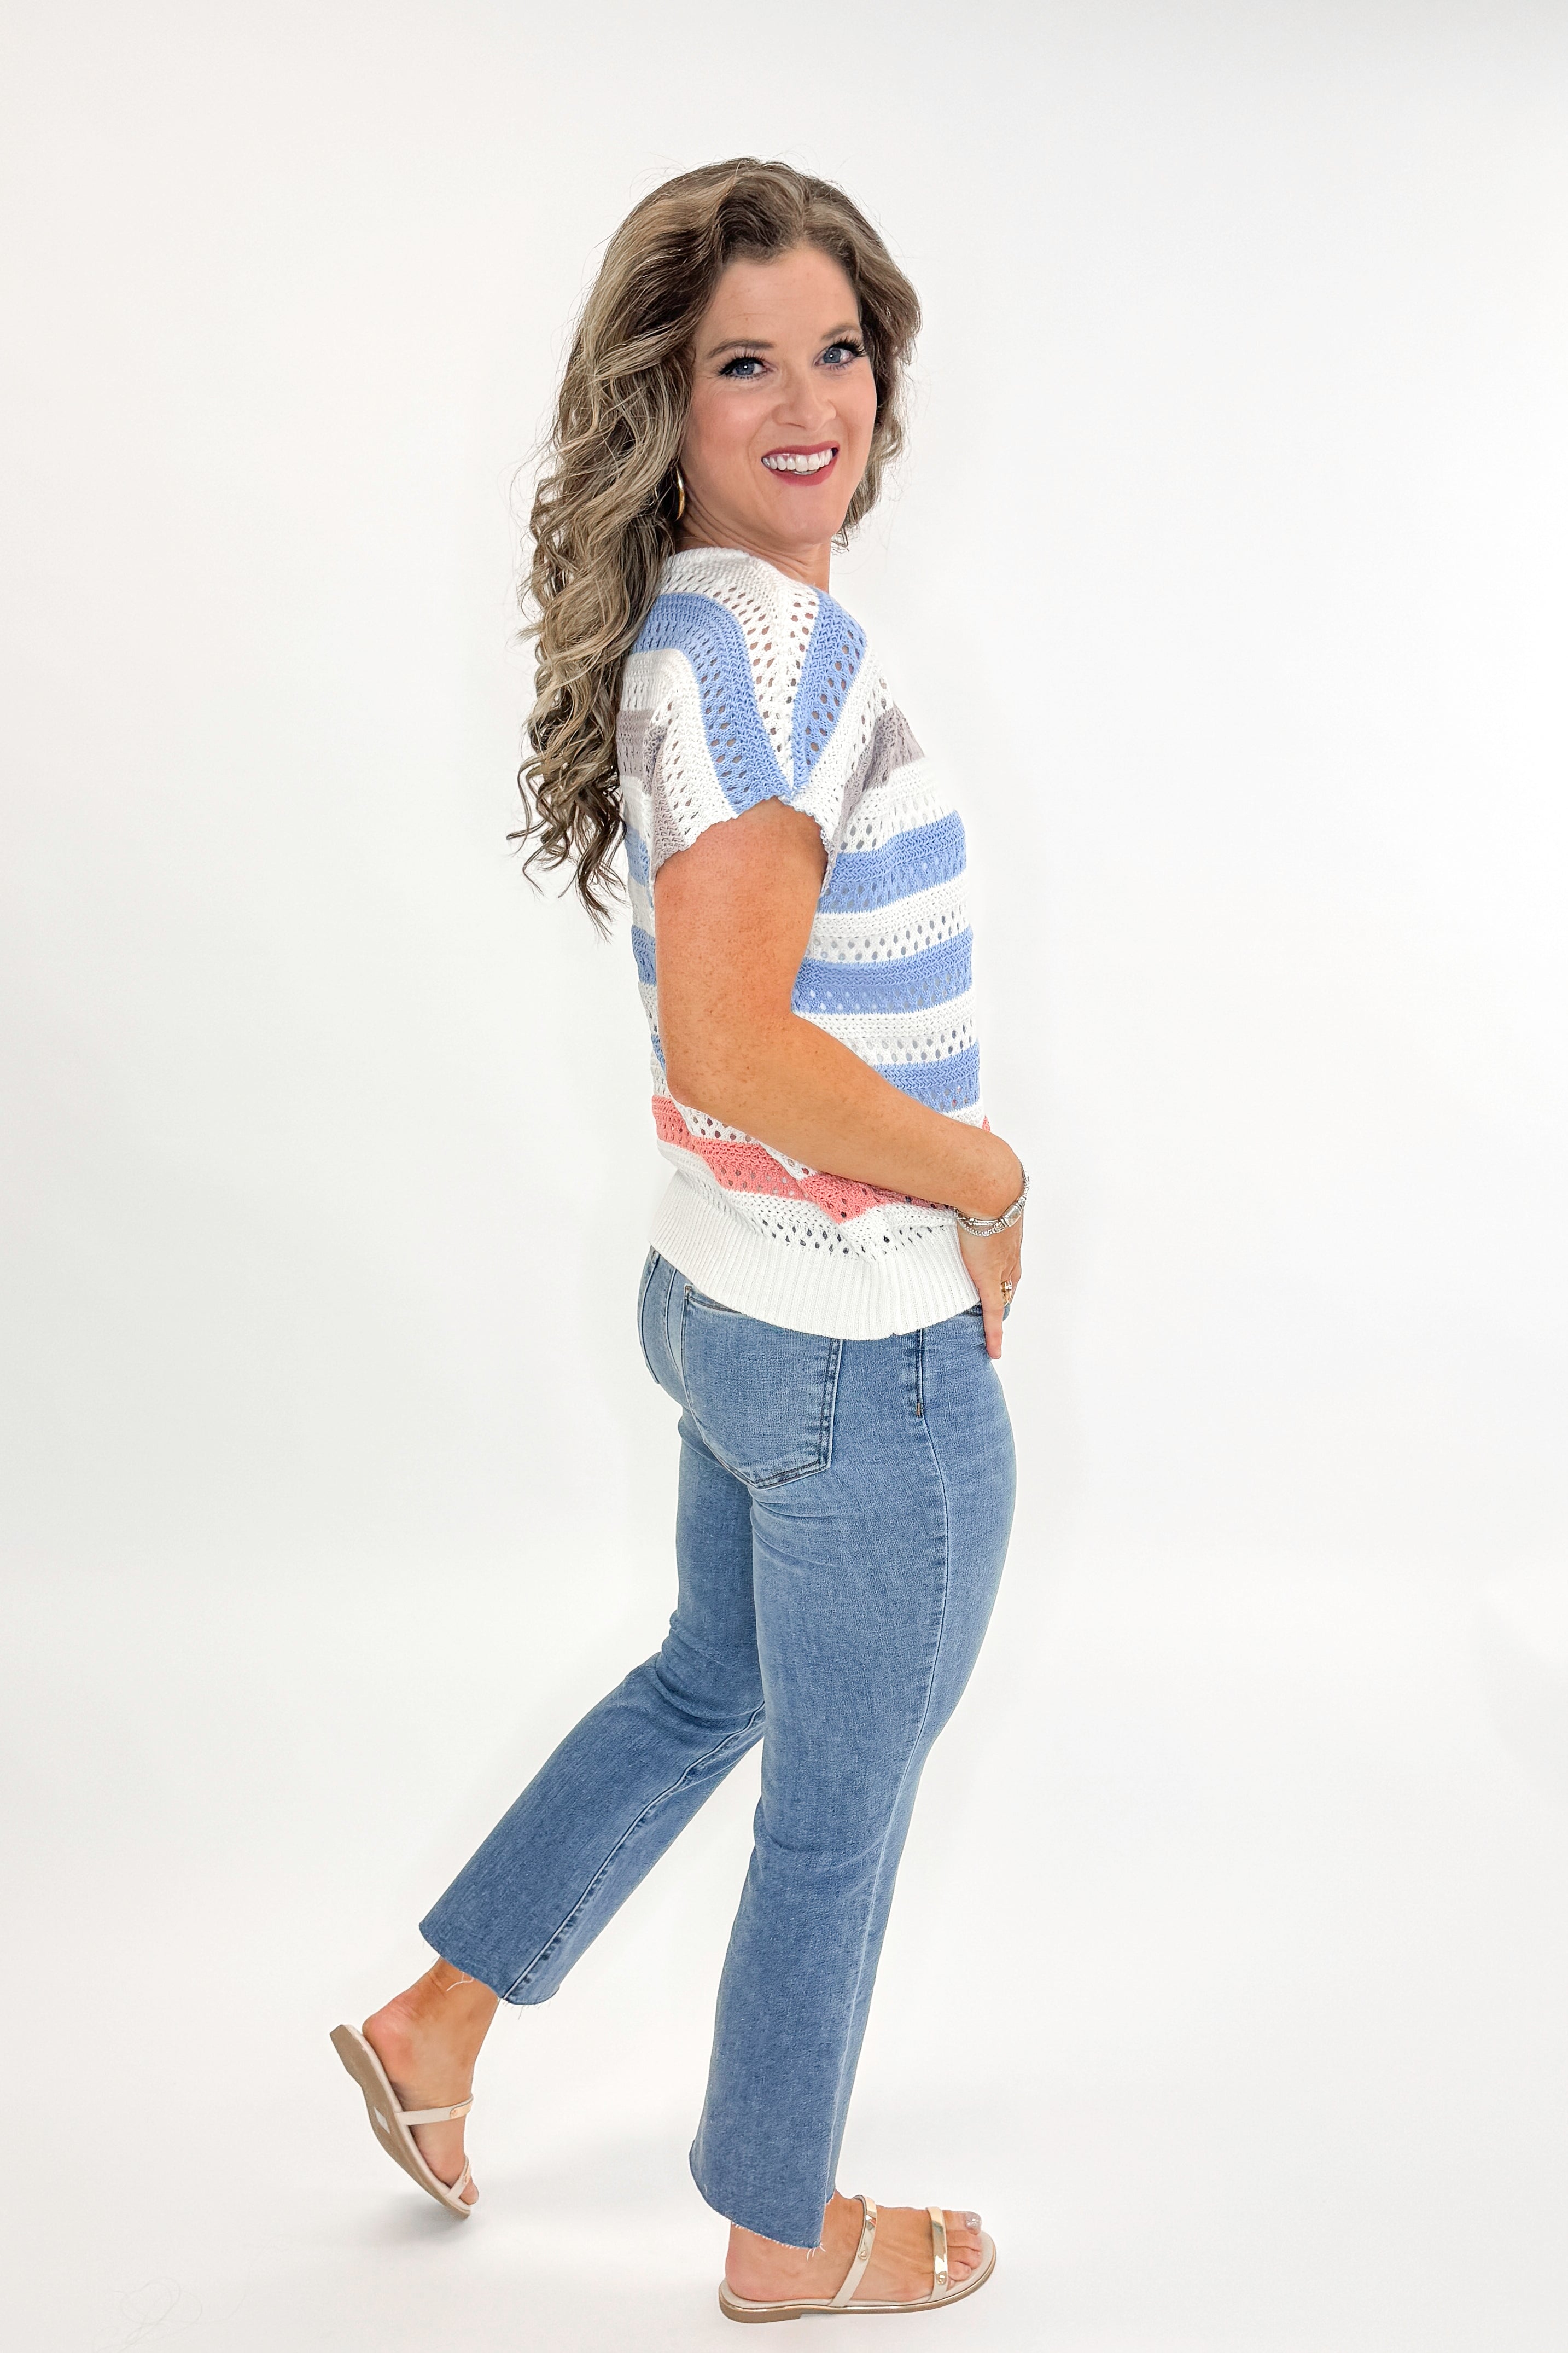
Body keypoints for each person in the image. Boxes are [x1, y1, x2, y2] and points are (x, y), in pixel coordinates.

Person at [331, 157, 1026, 2323]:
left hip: (733, 1307)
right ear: (671, 394)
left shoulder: (688, 634)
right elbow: (734, 1046)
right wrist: (984, 1179)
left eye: (840, 348)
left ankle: (435, 2023)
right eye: (751, 361)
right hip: (851, 1348)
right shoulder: (779, 657)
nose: (813, 398)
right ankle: (780, 2231)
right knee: (836, 1813)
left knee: (706, 1682)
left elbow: (728, 1052)